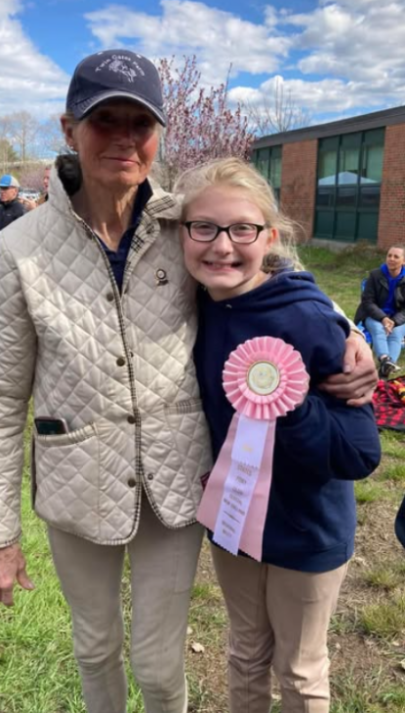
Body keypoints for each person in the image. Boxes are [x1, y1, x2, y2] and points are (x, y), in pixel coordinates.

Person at [0, 50, 377, 713]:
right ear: (69, 129)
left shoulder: (180, 223)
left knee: (160, 667)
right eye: (107, 121)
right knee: (96, 645)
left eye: (142, 123)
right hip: (77, 482)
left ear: (159, 134)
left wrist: (343, 326)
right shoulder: (20, 249)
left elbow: (265, 257)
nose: (126, 139)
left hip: (176, 482)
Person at [177, 157, 381, 713]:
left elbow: (362, 453)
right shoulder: (191, 305)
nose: (222, 246)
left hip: (307, 530)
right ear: (183, 233)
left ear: (268, 236)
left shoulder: (310, 320)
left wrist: (289, 407)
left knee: (299, 669)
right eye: (204, 227)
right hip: (234, 519)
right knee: (244, 653)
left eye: (242, 229)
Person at [354, 245, 405, 379]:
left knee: (397, 333)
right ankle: (384, 360)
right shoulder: (375, 275)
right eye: (389, 255)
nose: (391, 259)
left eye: (396, 256)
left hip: (397, 318)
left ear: (403, 261)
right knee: (378, 329)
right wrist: (383, 318)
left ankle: (385, 371)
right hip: (373, 315)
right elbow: (367, 301)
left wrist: (394, 321)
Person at [0, 174, 25, 255]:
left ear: (15, 191)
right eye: (1, 188)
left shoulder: (21, 211)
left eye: (5, 188)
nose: (2, 191)